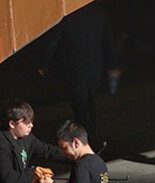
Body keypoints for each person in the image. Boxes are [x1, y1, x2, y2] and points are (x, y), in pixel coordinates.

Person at [38, 1, 119, 139]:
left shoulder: (67, 15)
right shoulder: (99, 12)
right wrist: (112, 64)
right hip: (95, 66)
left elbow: (53, 40)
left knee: (80, 106)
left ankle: (87, 140)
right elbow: (108, 43)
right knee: (89, 102)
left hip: (74, 67)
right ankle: (90, 135)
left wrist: (43, 63)